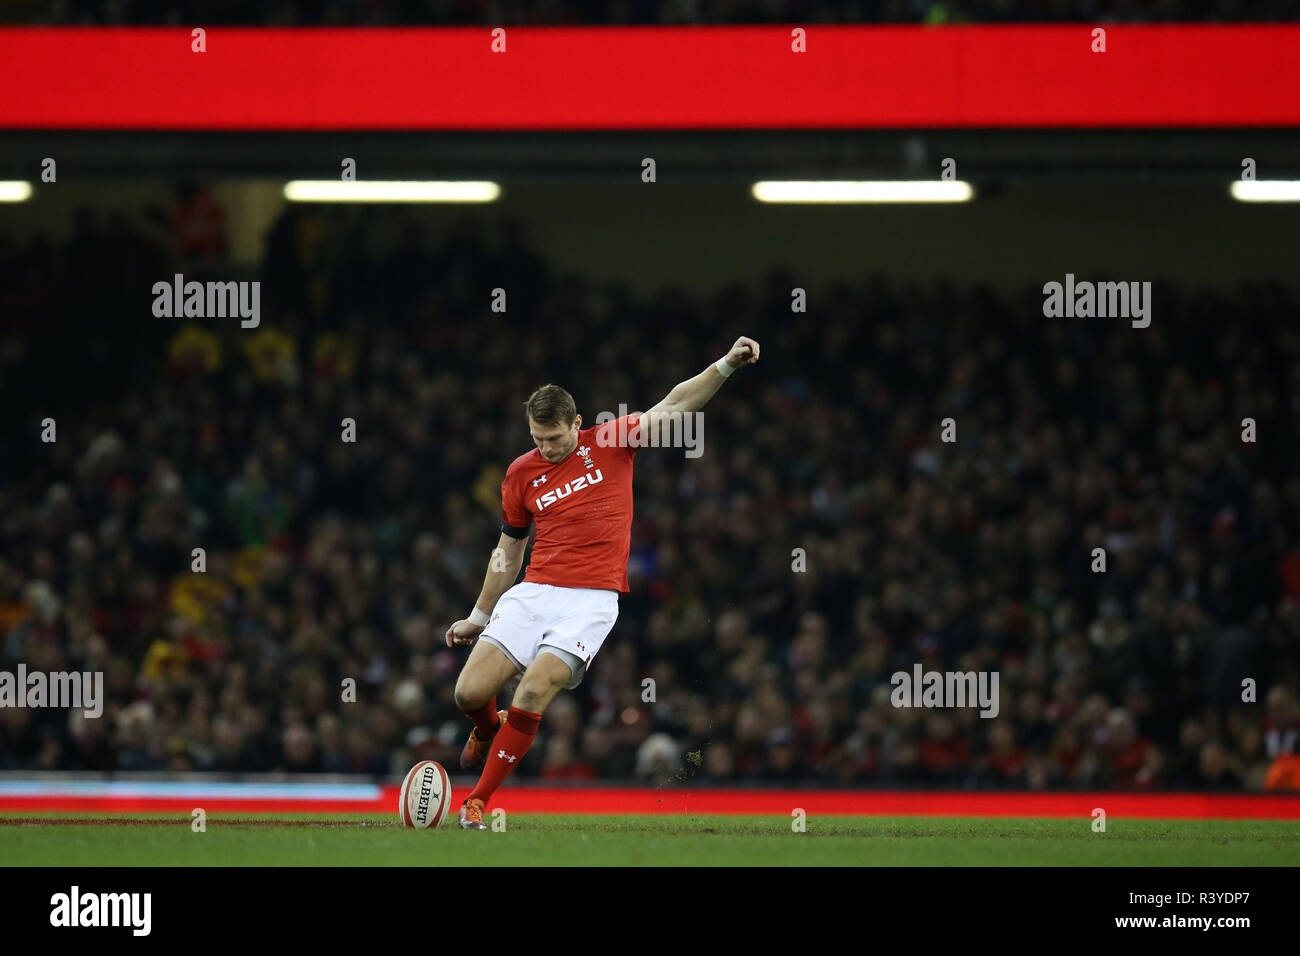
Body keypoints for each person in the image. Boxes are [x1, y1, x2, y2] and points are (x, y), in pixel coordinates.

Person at [443, 337, 761, 828]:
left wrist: (725, 365)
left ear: (578, 422)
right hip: (534, 593)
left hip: (590, 600)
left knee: (532, 691)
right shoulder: (520, 474)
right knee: (468, 695)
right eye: (537, 439)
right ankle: (490, 727)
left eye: (555, 438)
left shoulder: (612, 442)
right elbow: (508, 550)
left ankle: (477, 800)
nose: (546, 449)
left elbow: (674, 405)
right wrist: (479, 614)